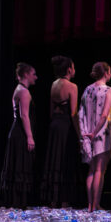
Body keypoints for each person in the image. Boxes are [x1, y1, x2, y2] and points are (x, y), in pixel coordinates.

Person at [78, 62, 111, 212]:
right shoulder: (108, 90)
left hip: (88, 132)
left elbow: (81, 113)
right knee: (99, 170)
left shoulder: (87, 89)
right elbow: (105, 114)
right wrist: (95, 132)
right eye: (110, 71)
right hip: (101, 133)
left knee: (92, 170)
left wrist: (85, 133)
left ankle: (91, 204)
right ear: (106, 72)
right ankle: (94, 204)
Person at [41, 56, 79, 207]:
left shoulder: (54, 84)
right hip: (65, 126)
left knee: (54, 160)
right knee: (64, 161)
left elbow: (51, 110)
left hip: (54, 125)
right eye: (74, 67)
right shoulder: (72, 86)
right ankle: (63, 200)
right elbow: (73, 113)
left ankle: (53, 199)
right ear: (69, 69)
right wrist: (80, 134)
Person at [1, 62, 37, 208]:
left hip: (16, 131)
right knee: (20, 164)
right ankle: (17, 202)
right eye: (33, 74)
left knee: (18, 164)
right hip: (20, 133)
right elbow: (24, 115)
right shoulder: (23, 91)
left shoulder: (19, 89)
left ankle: (16, 202)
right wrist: (30, 136)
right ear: (26, 75)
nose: (36, 77)